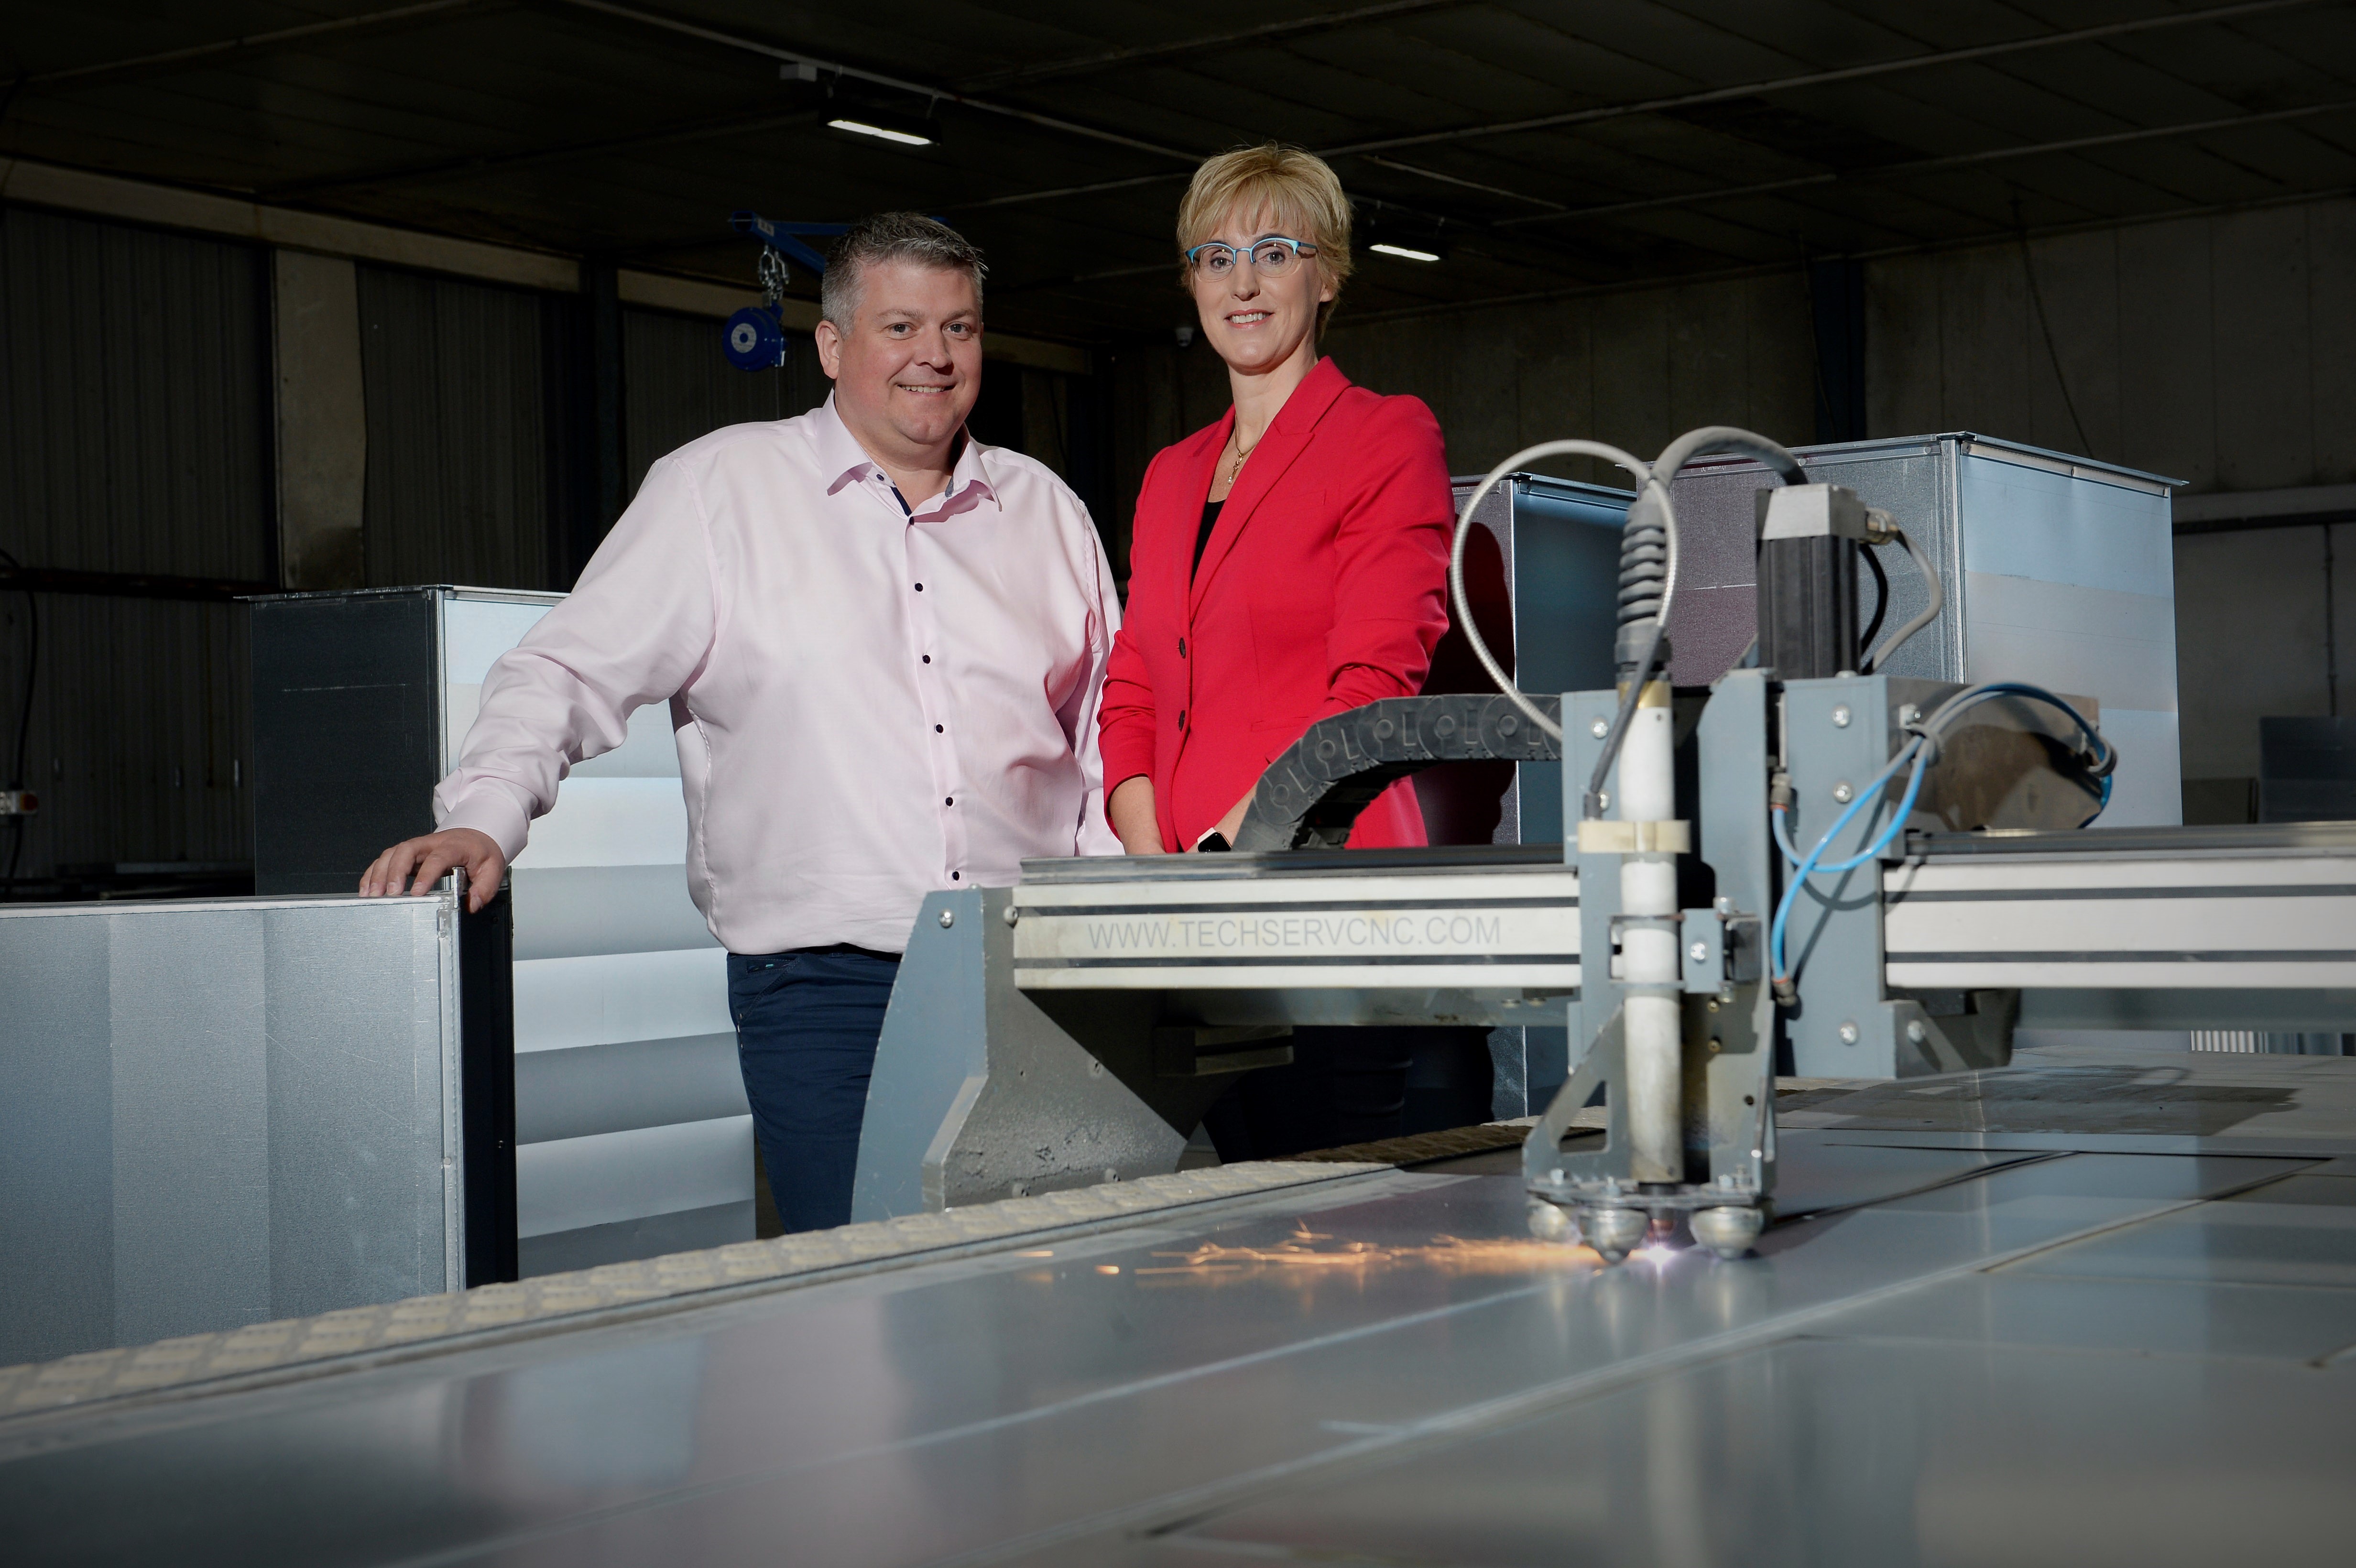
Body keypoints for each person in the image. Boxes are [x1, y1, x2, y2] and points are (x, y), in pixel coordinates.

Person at [359, 213, 1121, 1232]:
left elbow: (1105, 737)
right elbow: (563, 669)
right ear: (833, 344)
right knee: (863, 1292)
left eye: (960, 328)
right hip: (830, 990)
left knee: (1049, 1274)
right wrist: (483, 817)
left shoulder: (1047, 512)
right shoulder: (719, 492)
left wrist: (1115, 927)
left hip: (1032, 971)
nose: (934, 358)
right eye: (901, 327)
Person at [1098, 144, 1458, 1159]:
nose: (1242, 282)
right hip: (1186, 915)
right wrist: (1151, 855)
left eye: (1272, 250)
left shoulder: (1386, 436)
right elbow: (1133, 682)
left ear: (1327, 273)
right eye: (1215, 257)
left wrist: (1232, 841)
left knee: (1328, 1231)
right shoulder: (1171, 474)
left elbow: (1375, 686)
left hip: (1321, 894)